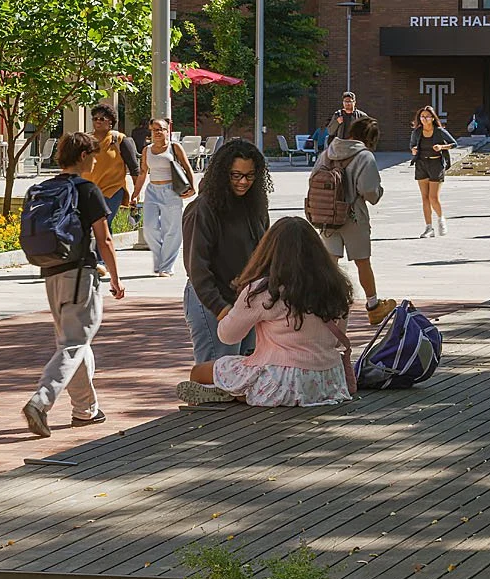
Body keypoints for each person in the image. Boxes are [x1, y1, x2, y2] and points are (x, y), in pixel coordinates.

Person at [176, 219, 356, 409]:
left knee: (199, 372)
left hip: (283, 381)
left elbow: (227, 336)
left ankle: (204, 411)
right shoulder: (336, 287)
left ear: (270, 251)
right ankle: (236, 393)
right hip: (328, 381)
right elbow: (336, 340)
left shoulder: (265, 291)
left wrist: (228, 311)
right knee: (252, 371)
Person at [22, 131, 127, 436]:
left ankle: (85, 410)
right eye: (93, 155)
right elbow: (104, 238)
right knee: (75, 343)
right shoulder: (87, 189)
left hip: (52, 272)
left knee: (73, 342)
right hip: (81, 275)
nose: (95, 161)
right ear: (83, 156)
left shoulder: (45, 188)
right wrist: (116, 279)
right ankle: (40, 402)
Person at [184, 137, 269, 364]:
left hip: (247, 302)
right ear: (223, 174)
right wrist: (223, 311)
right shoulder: (202, 209)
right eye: (236, 175)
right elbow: (197, 269)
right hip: (212, 301)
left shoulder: (255, 206)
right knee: (217, 374)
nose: (243, 182)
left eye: (250, 176)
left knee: (244, 375)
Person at [311, 112, 385, 316]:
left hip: (327, 215)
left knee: (329, 262)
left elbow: (314, 177)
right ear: (371, 139)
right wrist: (379, 192)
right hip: (353, 216)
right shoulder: (364, 156)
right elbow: (370, 192)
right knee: (362, 261)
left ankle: (323, 305)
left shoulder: (327, 152)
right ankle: (373, 306)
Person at [138, 116, 192, 277]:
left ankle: (166, 267)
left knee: (172, 230)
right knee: (149, 228)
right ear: (151, 131)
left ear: (168, 131)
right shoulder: (147, 150)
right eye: (155, 129)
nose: (159, 132)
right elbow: (142, 172)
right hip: (152, 190)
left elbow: (187, 167)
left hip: (171, 190)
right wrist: (135, 193)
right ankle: (161, 259)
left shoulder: (174, 147)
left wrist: (192, 187)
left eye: (162, 129)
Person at [85, 102, 142, 236]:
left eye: (102, 118)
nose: (97, 121)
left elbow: (134, 168)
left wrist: (136, 192)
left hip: (112, 190)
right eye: (95, 118)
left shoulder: (119, 140)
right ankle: (100, 254)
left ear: (110, 122)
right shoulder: (86, 140)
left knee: (103, 222)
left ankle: (103, 255)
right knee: (91, 226)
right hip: (89, 190)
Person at [408, 105, 456, 237]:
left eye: (427, 117)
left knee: (433, 197)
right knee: (424, 198)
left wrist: (441, 146)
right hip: (421, 164)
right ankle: (429, 228)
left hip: (436, 164)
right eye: (422, 117)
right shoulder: (417, 132)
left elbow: (454, 143)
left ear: (433, 118)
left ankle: (441, 219)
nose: (424, 119)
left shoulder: (439, 131)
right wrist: (413, 149)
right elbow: (412, 145)